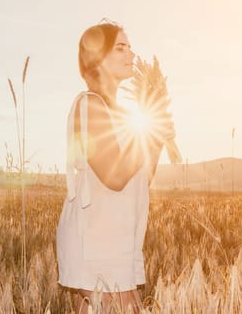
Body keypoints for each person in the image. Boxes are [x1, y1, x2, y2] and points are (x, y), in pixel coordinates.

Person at [56, 21, 175, 313]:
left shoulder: (123, 114)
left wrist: (157, 140)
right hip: (95, 238)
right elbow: (115, 176)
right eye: (120, 48)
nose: (131, 55)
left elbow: (140, 179)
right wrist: (150, 131)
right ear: (98, 57)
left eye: (131, 48)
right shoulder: (89, 106)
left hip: (118, 237)